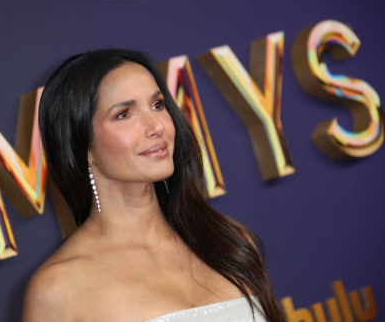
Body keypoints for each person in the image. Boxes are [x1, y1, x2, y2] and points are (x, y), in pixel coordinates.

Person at [21, 48, 286, 322]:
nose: (156, 126)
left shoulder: (227, 241)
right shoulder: (57, 290)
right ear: (82, 146)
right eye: (124, 114)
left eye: (157, 105)